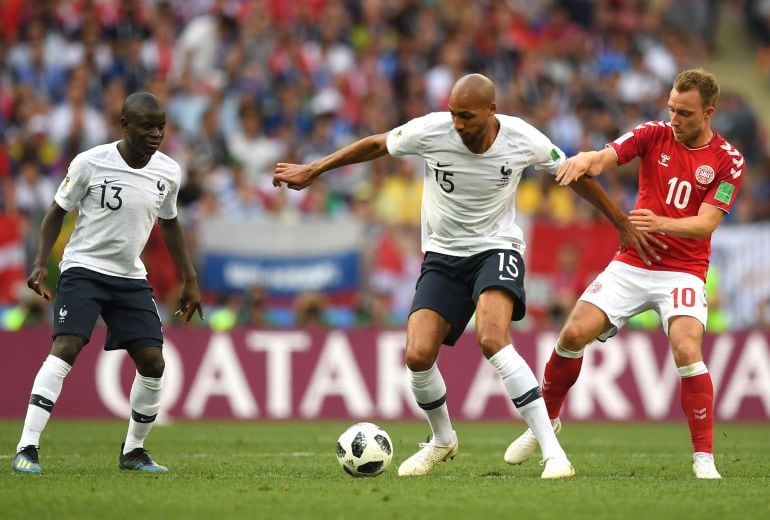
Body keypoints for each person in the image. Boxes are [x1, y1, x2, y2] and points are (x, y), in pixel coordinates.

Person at [273, 73, 659, 479]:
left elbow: (572, 175)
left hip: (497, 248)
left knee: (492, 338)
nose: (458, 124)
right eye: (454, 114)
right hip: (442, 255)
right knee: (417, 355)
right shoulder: (431, 130)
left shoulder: (522, 138)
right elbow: (375, 144)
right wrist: (314, 169)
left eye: (467, 116)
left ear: (492, 111)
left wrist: (620, 221)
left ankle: (552, 452)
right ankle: (442, 439)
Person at [505, 68, 743, 480]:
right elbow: (606, 157)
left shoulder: (728, 161)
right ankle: (548, 420)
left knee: (687, 350)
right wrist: (585, 160)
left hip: (683, 271)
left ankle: (703, 457)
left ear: (708, 112)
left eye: (685, 113)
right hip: (633, 262)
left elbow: (706, 224)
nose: (675, 119)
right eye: (671, 108)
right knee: (572, 334)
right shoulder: (654, 133)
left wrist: (658, 223)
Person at [12, 92, 204, 474]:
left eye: (161, 127)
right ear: (125, 125)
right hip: (84, 268)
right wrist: (38, 263)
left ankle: (134, 451)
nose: (156, 134)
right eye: (147, 126)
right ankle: (27, 447)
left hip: (130, 276)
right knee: (67, 346)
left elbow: (169, 223)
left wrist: (190, 278)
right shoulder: (90, 163)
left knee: (153, 361)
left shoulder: (168, 172)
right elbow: (56, 212)